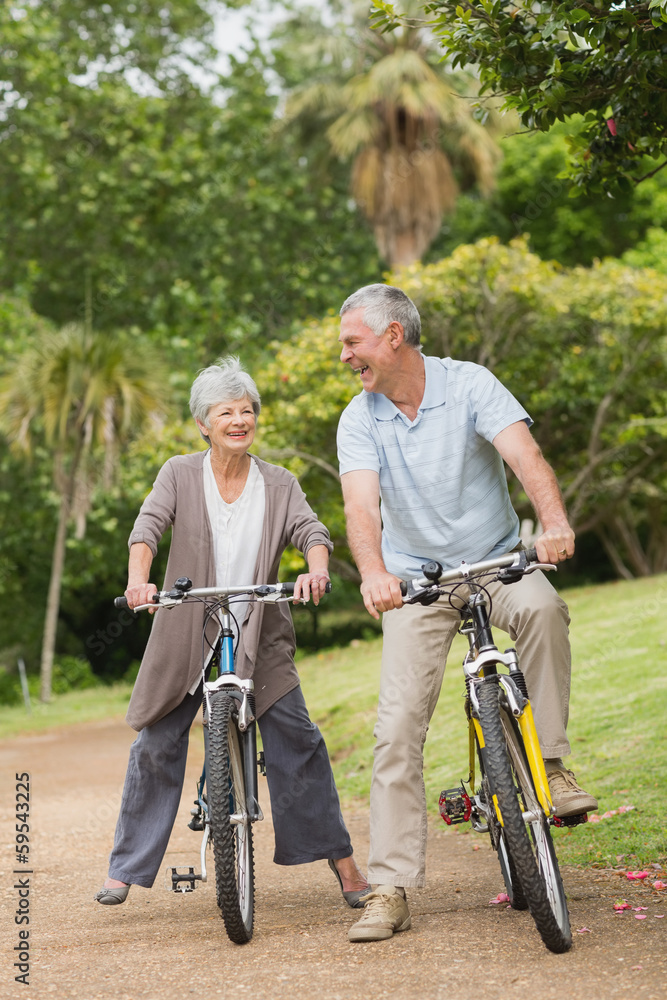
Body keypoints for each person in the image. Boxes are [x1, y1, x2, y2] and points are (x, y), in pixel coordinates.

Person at [335, 283, 597, 942]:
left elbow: (523, 456)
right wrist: (373, 573)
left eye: (352, 342)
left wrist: (554, 520)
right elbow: (360, 507)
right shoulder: (358, 418)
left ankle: (554, 764)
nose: (344, 357)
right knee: (395, 730)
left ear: (393, 336)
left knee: (541, 609)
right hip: (414, 586)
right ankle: (389, 885)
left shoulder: (470, 383)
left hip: (496, 561)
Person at [95, 357, 369, 909]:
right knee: (155, 743)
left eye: (247, 410)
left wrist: (315, 568)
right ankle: (125, 867)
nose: (239, 420)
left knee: (299, 741)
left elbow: (310, 529)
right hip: (185, 628)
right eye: (227, 412)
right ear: (204, 422)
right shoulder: (177, 473)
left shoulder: (279, 481)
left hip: (260, 629)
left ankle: (345, 866)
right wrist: (139, 583)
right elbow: (147, 528)